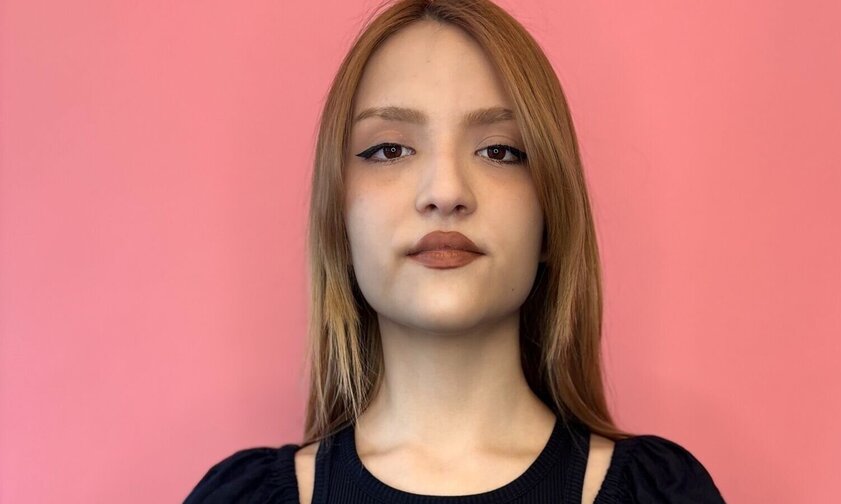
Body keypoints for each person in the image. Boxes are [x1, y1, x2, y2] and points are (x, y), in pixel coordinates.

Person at [184, 0, 727, 502]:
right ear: (338, 220)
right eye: (389, 149)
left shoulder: (658, 493)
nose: (445, 192)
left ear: (551, 218)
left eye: (500, 151)